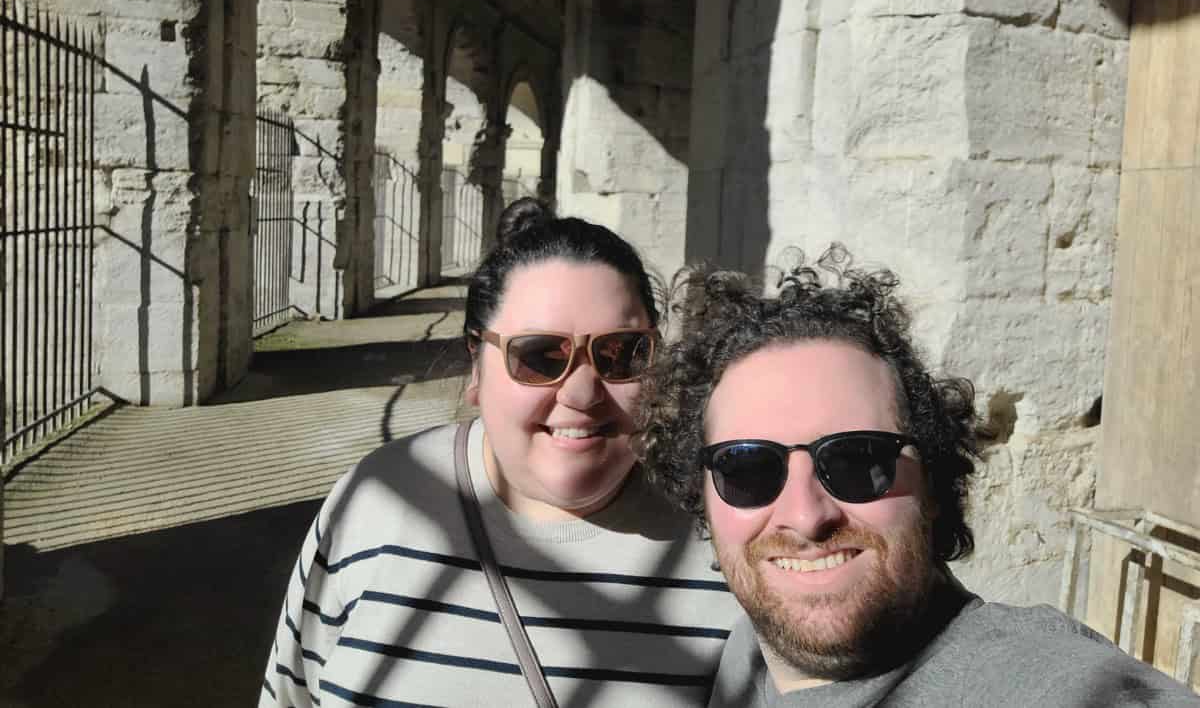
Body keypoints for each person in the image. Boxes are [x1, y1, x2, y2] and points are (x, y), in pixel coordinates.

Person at [636, 246, 1200, 707]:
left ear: (932, 484)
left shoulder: (1063, 688)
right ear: (703, 499)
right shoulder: (748, 654)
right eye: (748, 468)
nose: (806, 516)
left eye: (858, 461)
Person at [260, 198, 739, 707]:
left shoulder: (728, 536)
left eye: (620, 353)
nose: (581, 393)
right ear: (477, 367)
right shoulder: (379, 502)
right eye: (539, 356)